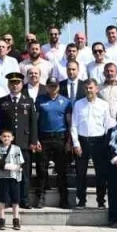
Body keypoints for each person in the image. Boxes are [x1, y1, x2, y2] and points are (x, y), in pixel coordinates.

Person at [70, 78, 114, 209]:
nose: (89, 90)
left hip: (99, 141)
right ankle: (81, 200)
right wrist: (76, 143)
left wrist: (108, 142)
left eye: (91, 88)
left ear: (96, 89)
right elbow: (74, 125)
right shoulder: (78, 104)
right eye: (86, 88)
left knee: (101, 173)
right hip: (82, 141)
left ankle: (101, 201)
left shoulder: (103, 104)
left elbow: (107, 124)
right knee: (80, 173)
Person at [0, 71, 39, 206]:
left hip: (24, 142)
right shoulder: (2, 101)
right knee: (8, 173)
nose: (15, 85)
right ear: (8, 85)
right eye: (12, 83)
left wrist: (33, 141)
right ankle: (9, 200)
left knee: (25, 173)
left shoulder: (28, 101)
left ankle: (24, 200)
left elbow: (33, 122)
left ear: (22, 84)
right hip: (7, 144)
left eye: (17, 83)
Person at [35, 77, 73, 208]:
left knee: (62, 170)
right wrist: (36, 139)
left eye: (55, 86)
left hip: (60, 138)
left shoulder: (66, 101)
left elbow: (69, 123)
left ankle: (64, 199)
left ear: (58, 87)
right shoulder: (40, 100)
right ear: (46, 87)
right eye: (50, 85)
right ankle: (40, 197)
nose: (53, 88)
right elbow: (36, 121)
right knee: (41, 168)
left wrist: (69, 141)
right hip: (44, 137)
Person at [0, 128, 25, 231]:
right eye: (4, 136)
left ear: (12, 138)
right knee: (2, 199)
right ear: (0, 138)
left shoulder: (17, 148)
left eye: (8, 136)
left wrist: (16, 168)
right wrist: (12, 167)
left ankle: (16, 220)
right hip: (2, 177)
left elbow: (20, 163)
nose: (6, 138)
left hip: (14, 177)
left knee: (15, 200)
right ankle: (1, 220)